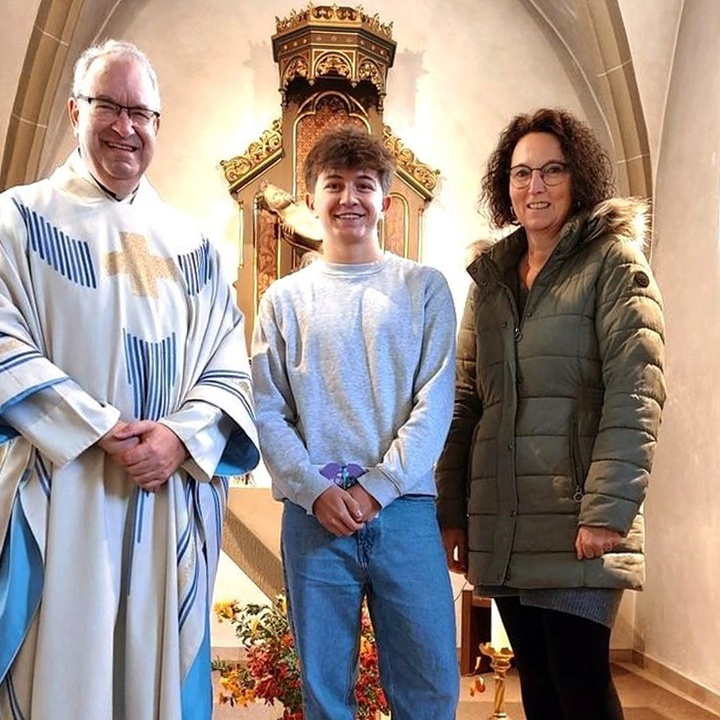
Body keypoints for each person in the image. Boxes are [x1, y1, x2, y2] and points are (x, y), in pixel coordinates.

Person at [0, 39, 259, 720]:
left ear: (158, 124)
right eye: (108, 107)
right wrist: (96, 426)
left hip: (164, 495)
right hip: (67, 489)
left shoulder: (193, 245)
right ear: (73, 111)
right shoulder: (18, 220)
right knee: (65, 675)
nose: (125, 127)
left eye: (140, 112)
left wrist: (177, 437)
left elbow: (229, 361)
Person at [436, 108, 666, 720]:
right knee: (538, 684)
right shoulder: (490, 280)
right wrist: (452, 511)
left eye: (551, 171)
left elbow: (635, 393)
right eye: (521, 173)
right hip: (507, 521)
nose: (534, 187)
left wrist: (607, 512)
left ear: (578, 179)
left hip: (576, 524)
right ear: (504, 186)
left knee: (580, 684)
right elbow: (465, 401)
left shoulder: (613, 264)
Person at [251, 125, 460, 720]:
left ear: (386, 201)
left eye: (364, 185)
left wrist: (378, 487)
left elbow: (435, 401)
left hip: (406, 510)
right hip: (315, 516)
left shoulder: (423, 288)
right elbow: (267, 409)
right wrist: (315, 491)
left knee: (428, 685)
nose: (349, 198)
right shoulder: (283, 300)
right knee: (324, 692)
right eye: (333, 184)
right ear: (311, 199)